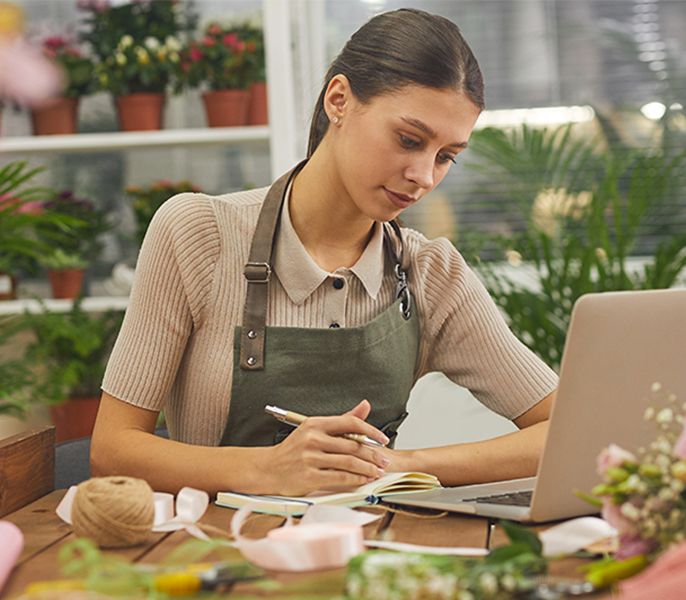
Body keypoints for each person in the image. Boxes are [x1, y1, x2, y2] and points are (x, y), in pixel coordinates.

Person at [91, 8, 558, 496]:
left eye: (445, 157)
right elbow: (112, 450)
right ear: (339, 100)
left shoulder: (430, 274)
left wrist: (396, 463)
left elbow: (571, 431)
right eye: (408, 139)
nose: (424, 175)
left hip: (371, 550)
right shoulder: (198, 234)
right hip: (211, 554)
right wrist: (265, 470)